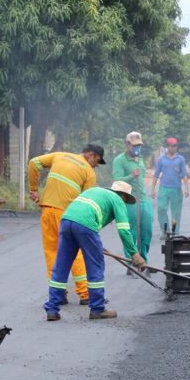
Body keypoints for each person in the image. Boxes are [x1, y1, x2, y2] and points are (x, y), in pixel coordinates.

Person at [43, 181, 147, 322]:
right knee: (95, 266)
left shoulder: (95, 192)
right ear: (123, 195)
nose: (125, 203)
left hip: (66, 221)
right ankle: (98, 309)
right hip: (85, 226)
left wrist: (90, 241)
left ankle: (52, 310)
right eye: (126, 200)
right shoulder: (117, 200)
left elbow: (82, 218)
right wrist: (134, 254)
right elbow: (124, 230)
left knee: (61, 265)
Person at [29, 144, 106, 306]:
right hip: (66, 214)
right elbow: (87, 201)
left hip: (47, 210)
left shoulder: (59, 155)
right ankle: (85, 294)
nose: (97, 165)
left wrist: (34, 189)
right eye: (97, 160)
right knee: (76, 252)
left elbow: (33, 163)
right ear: (90, 155)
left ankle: (59, 294)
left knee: (51, 252)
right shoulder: (89, 172)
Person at [112, 132, 153, 263]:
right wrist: (131, 177)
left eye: (139, 145)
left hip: (143, 199)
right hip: (130, 201)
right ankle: (132, 261)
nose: (137, 147)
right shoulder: (120, 160)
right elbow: (117, 180)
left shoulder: (140, 158)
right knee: (131, 233)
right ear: (127, 144)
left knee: (147, 231)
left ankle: (144, 260)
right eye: (134, 145)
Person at [151, 137, 189, 237]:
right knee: (162, 209)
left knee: (176, 213)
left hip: (176, 189)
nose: (174, 148)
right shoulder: (161, 159)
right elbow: (156, 174)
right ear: (167, 147)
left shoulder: (180, 159)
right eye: (172, 146)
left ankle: (175, 232)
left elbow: (184, 174)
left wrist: (187, 188)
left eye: (175, 146)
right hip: (164, 188)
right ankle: (165, 231)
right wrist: (153, 189)